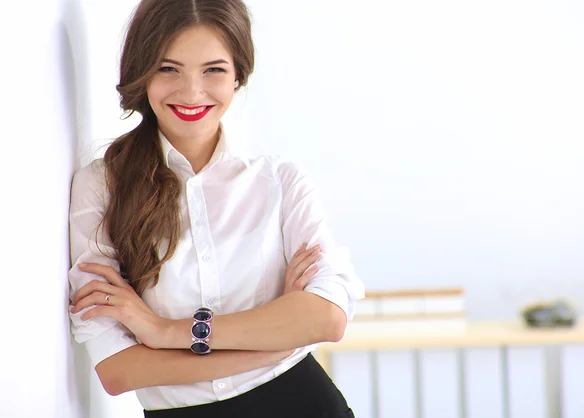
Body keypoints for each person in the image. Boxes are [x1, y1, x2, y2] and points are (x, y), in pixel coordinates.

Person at [68, 0, 365, 417]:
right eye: (168, 68)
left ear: (238, 75)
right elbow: (119, 371)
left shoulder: (280, 182)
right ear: (141, 71)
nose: (192, 92)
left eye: (214, 69)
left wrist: (162, 331)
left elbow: (328, 319)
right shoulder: (102, 187)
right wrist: (275, 341)